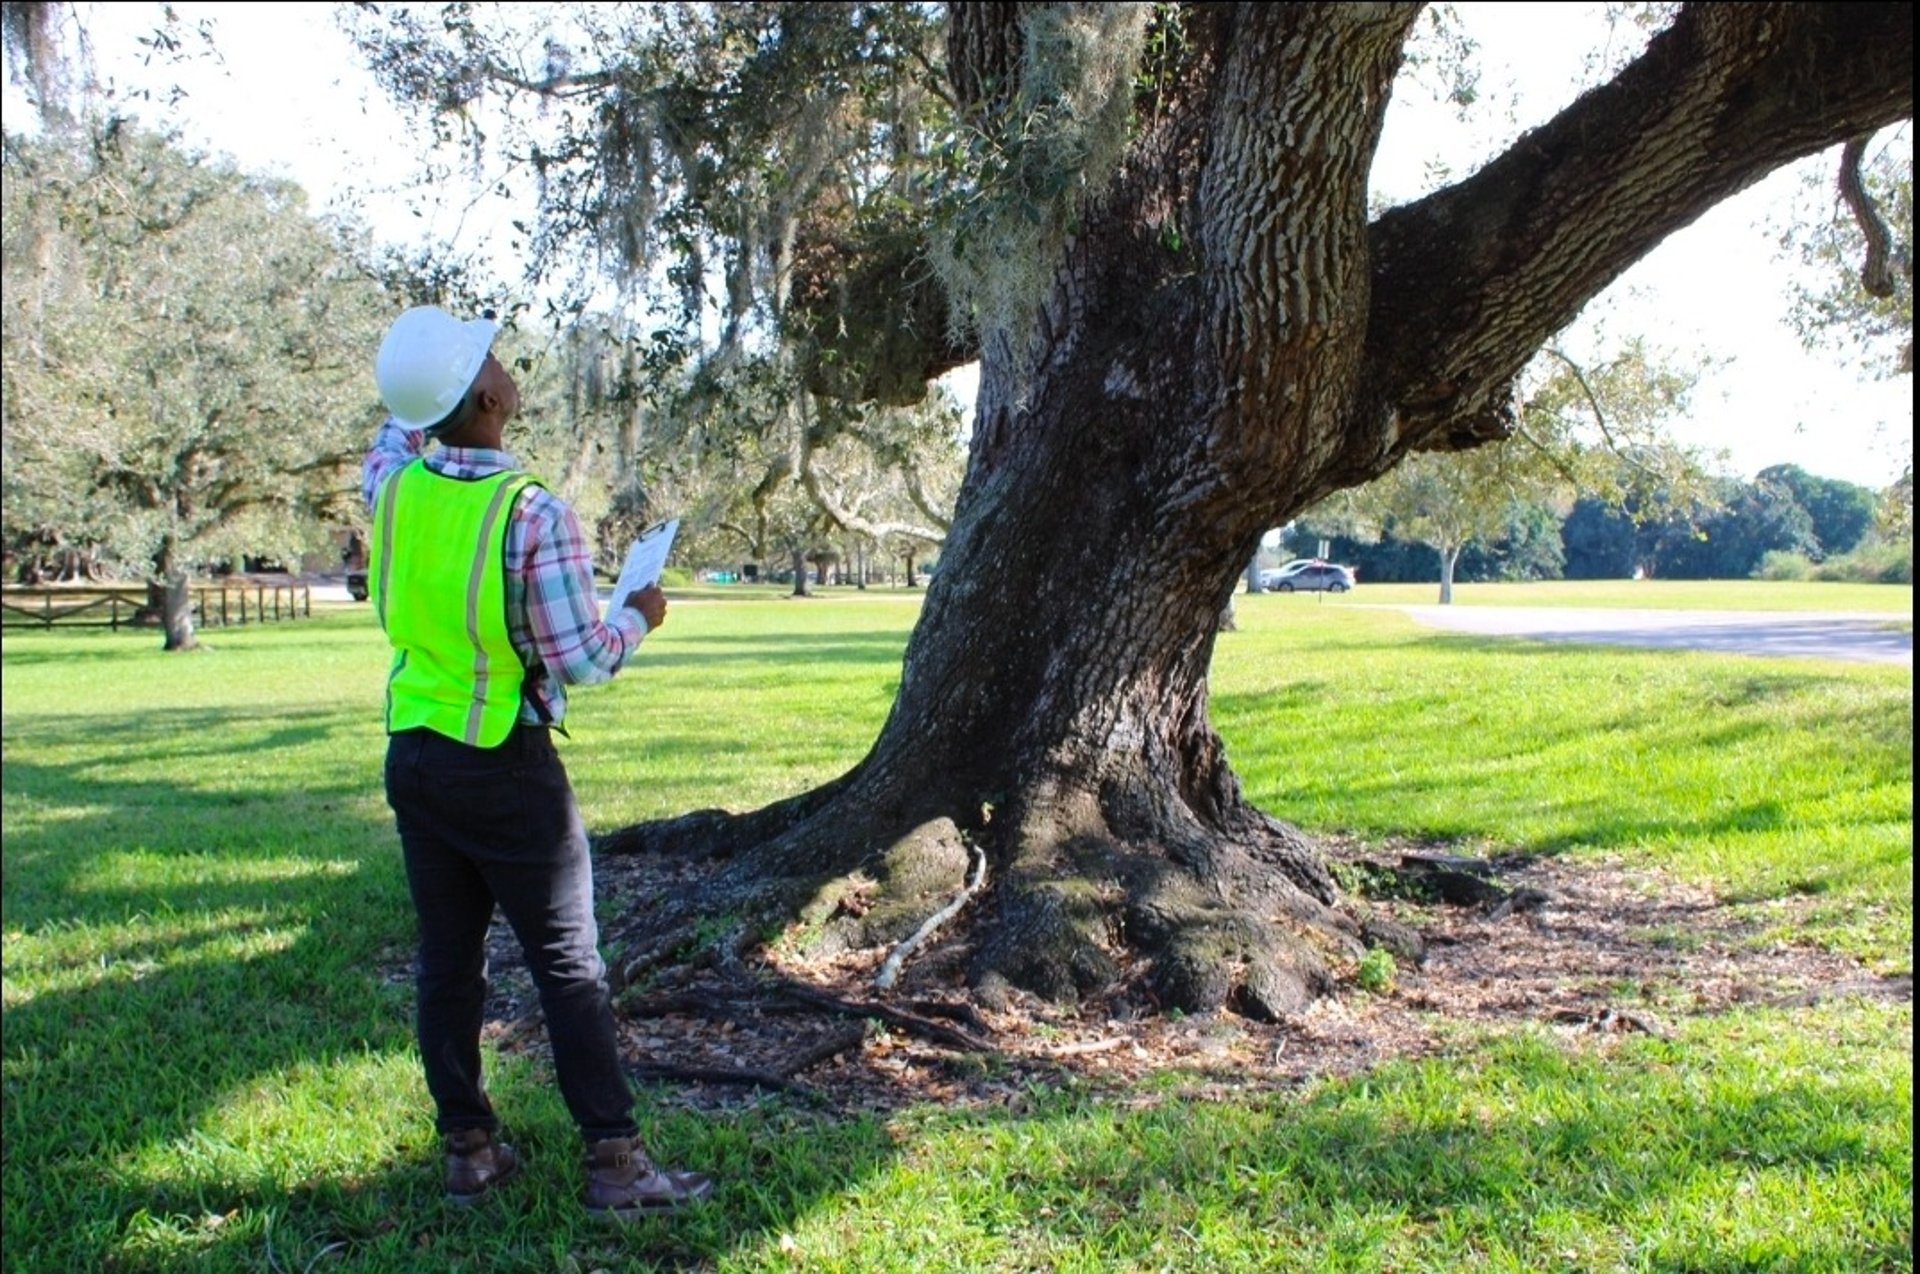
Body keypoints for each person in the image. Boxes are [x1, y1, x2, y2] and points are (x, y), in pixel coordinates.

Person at [364, 304, 712, 1218]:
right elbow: (584, 659)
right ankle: (615, 1162)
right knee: (568, 965)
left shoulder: (395, 486)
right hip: (505, 768)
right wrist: (639, 611)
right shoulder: (533, 514)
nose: (508, 365)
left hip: (416, 753)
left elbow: (395, 428)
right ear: (485, 396)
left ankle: (468, 1150)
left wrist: (423, 384)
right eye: (493, 359)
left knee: (448, 960)